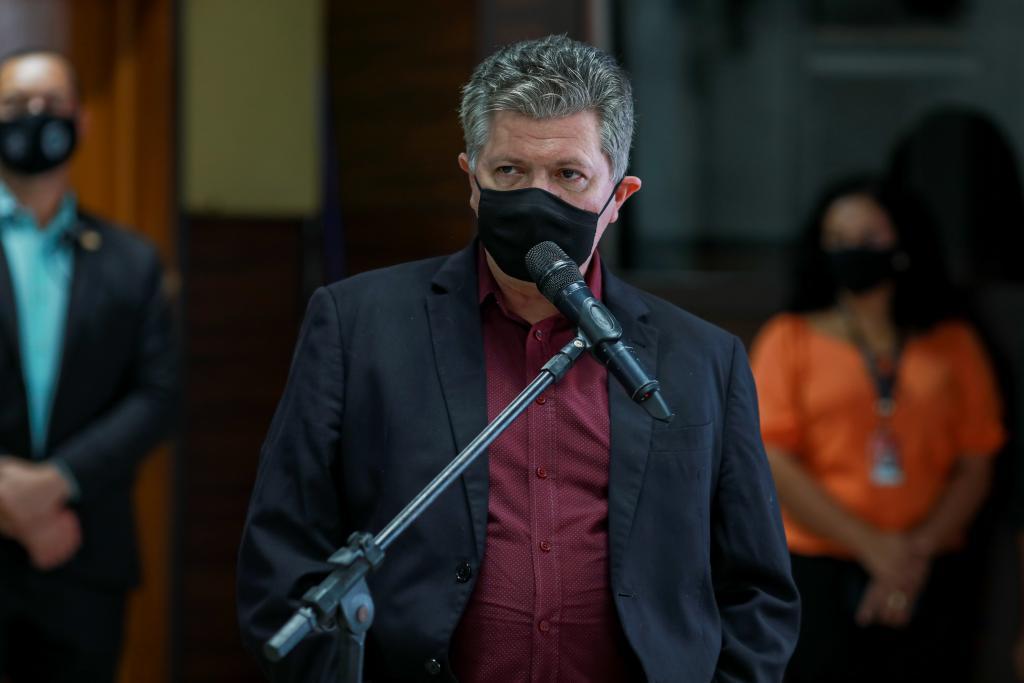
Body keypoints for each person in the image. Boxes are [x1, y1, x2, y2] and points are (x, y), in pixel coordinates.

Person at [238, 35, 799, 683]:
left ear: (619, 196)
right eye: (509, 171)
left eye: (568, 175)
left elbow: (757, 590)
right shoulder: (356, 325)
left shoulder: (702, 358)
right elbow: (282, 556)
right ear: (471, 181)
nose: (537, 198)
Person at [750, 175, 1006, 682]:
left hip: (931, 569)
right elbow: (772, 460)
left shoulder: (954, 342)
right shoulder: (788, 338)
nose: (853, 252)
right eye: (838, 240)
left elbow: (978, 461)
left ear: (904, 245)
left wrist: (912, 555)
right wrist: (876, 548)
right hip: (816, 569)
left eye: (869, 238)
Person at [0, 49, 177, 682]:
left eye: (51, 103)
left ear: (82, 121)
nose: (35, 115)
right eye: (16, 105)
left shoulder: (132, 262)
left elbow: (159, 396)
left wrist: (55, 483)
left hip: (85, 551)